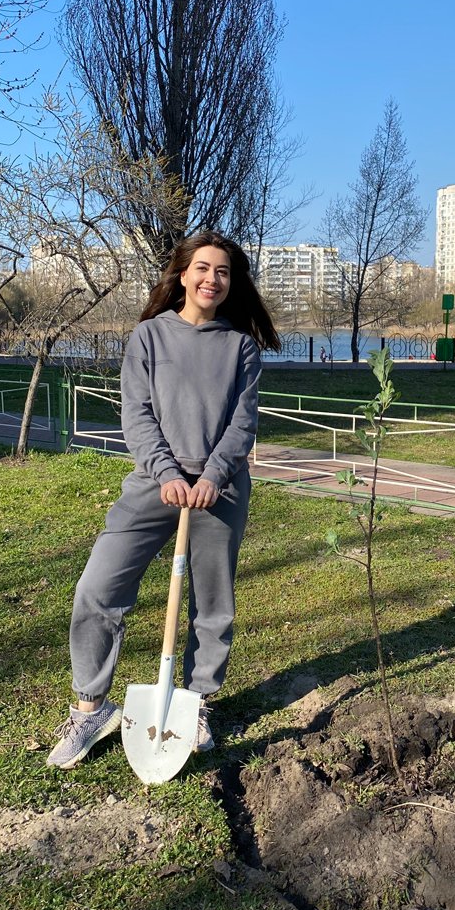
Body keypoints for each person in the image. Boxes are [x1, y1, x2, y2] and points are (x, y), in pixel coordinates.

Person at [47, 231, 280, 769]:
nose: (211, 279)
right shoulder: (149, 336)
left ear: (231, 282)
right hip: (156, 484)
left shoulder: (241, 346)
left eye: (223, 272)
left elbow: (243, 423)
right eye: (203, 268)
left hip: (217, 491)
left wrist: (213, 477)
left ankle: (194, 703)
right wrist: (166, 473)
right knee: (99, 586)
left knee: (213, 603)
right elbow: (137, 414)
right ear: (182, 274)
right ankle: (91, 707)